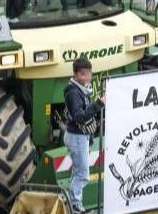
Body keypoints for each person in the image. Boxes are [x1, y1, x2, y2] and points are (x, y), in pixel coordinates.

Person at [63, 57, 104, 214]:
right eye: (82, 74)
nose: (86, 77)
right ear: (75, 74)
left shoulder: (80, 89)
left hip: (79, 137)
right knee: (83, 174)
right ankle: (76, 207)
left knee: (77, 172)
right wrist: (98, 104)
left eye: (88, 74)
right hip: (77, 137)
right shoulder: (74, 92)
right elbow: (79, 116)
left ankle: (72, 204)